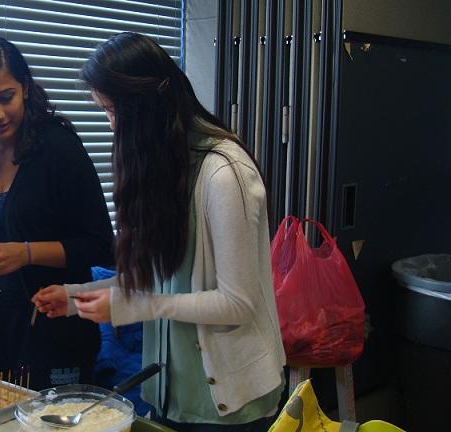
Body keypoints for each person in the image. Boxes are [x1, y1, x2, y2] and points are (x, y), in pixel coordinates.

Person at [32, 32, 286, 431]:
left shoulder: (223, 173)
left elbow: (237, 303)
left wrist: (133, 306)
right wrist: (77, 296)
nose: (112, 125)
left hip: (229, 405)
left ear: (145, 105)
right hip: (171, 392)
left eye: (113, 111)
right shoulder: (165, 167)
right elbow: (164, 280)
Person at [0, 38, 114, 390]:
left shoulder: (58, 148)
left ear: (25, 89)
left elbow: (98, 244)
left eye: (6, 98)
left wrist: (27, 252)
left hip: (50, 323)